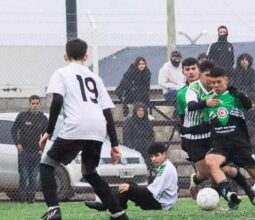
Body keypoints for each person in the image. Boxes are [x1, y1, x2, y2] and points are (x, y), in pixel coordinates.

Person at [38, 38, 128, 220]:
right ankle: (119, 215)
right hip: (97, 128)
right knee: (89, 172)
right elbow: (107, 112)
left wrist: (49, 131)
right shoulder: (96, 78)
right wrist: (114, 144)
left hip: (77, 126)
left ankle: (53, 211)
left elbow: (57, 101)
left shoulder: (61, 73)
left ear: (65, 56)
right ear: (86, 57)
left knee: (46, 166)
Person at [182, 67, 255, 210]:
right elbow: (208, 125)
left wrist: (239, 94)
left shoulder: (234, 97)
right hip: (220, 146)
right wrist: (187, 130)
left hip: (240, 145)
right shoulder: (208, 101)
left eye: (218, 82)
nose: (215, 85)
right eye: (212, 83)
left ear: (226, 80)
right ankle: (228, 194)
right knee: (211, 161)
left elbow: (248, 105)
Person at [183, 60, 255, 205]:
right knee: (206, 172)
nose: (211, 80)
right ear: (201, 75)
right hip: (195, 137)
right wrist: (205, 104)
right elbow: (189, 108)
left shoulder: (219, 89)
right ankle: (197, 179)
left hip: (213, 135)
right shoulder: (192, 88)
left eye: (214, 78)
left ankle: (237, 193)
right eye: (207, 76)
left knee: (225, 169)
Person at [84, 142, 178, 211]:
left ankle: (106, 206)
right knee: (129, 185)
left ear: (164, 154)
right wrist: (131, 187)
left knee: (128, 187)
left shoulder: (166, 169)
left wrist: (130, 188)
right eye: (152, 156)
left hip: (162, 204)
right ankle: (115, 205)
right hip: (163, 202)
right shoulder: (166, 165)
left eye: (156, 155)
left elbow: (150, 192)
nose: (153, 159)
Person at [11, 95, 48, 203]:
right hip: (24, 152)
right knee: (24, 176)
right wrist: (18, 144)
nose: (35, 105)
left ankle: (31, 200)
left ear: (40, 104)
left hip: (36, 153)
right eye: (33, 103)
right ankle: (22, 200)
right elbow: (13, 130)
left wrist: (42, 147)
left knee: (33, 178)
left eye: (37, 103)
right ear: (29, 104)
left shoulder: (43, 118)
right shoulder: (22, 116)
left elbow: (46, 134)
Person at [123, 102, 154, 175]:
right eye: (139, 110)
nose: (141, 112)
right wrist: (131, 148)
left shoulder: (147, 122)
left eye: (142, 110)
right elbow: (126, 137)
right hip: (134, 148)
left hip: (146, 148)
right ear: (135, 111)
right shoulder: (129, 121)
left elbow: (151, 136)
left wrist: (150, 146)